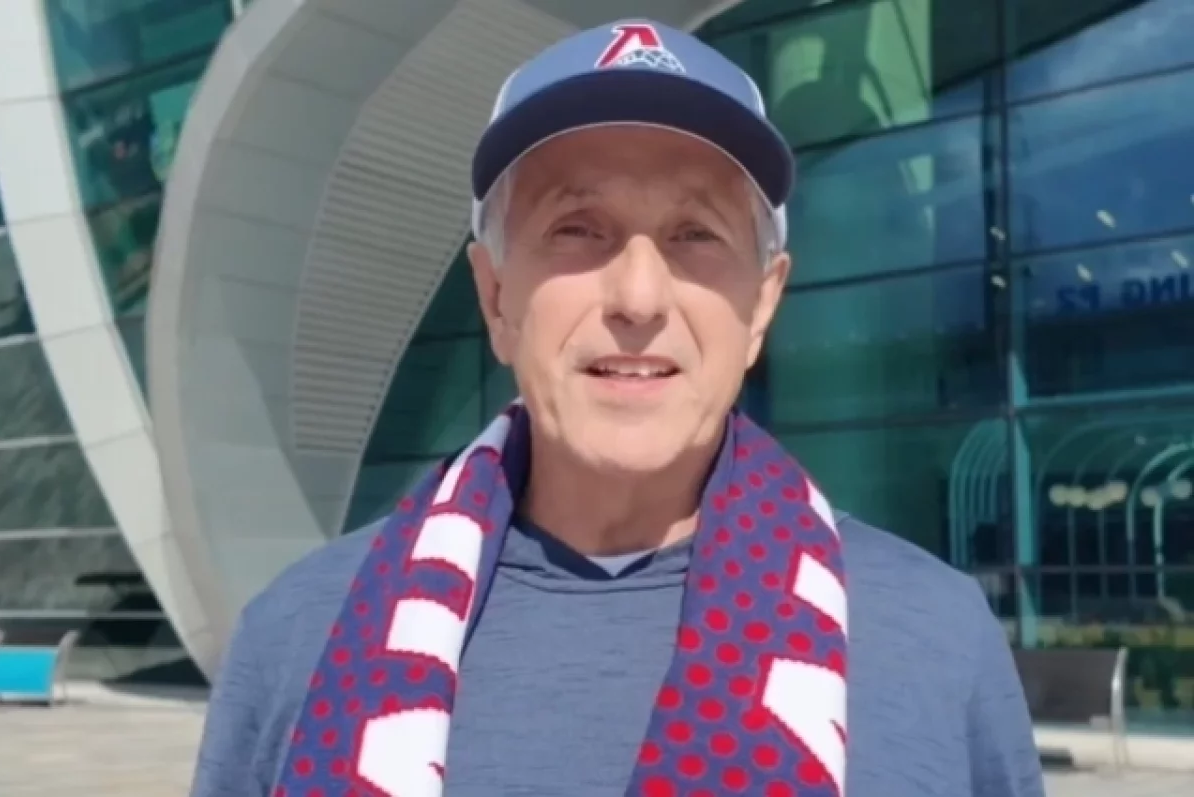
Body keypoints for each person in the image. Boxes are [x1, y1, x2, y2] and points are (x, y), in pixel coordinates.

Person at [190, 19, 1045, 797]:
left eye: (695, 234)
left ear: (760, 306)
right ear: (496, 297)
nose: (638, 297)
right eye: (577, 228)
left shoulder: (936, 641)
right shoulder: (297, 637)